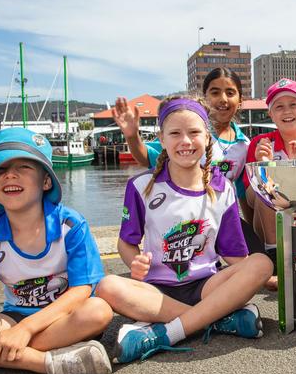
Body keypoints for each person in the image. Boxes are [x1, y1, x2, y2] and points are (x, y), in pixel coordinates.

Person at [97, 97, 273, 364]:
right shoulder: (142, 186)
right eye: (175, 133)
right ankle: (215, 319)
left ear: (207, 136)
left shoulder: (222, 188)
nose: (185, 141)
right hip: (157, 290)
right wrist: (135, 263)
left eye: (194, 132)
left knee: (260, 263)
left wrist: (258, 278)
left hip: (206, 285)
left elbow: (235, 255)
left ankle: (166, 333)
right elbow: (126, 243)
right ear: (162, 139)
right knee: (107, 286)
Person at [0, 128, 112, 374]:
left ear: (46, 181)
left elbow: (81, 290)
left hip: (64, 319)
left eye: (24, 167)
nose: (10, 175)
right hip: (12, 318)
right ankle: (45, 362)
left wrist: (26, 330)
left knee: (99, 310)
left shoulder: (70, 225)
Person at [112, 67, 263, 253]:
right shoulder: (189, 135)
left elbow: (240, 192)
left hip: (219, 216)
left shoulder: (244, 145)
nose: (223, 99)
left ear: (240, 101)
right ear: (205, 98)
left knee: (258, 258)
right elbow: (146, 157)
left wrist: (252, 231)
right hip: (184, 213)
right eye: (215, 92)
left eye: (230, 93)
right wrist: (132, 136)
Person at [244, 78, 296, 289]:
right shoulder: (261, 143)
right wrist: (263, 166)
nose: (287, 111)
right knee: (267, 188)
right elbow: (250, 196)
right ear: (271, 114)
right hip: (269, 220)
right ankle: (274, 256)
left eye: (293, 104)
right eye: (279, 106)